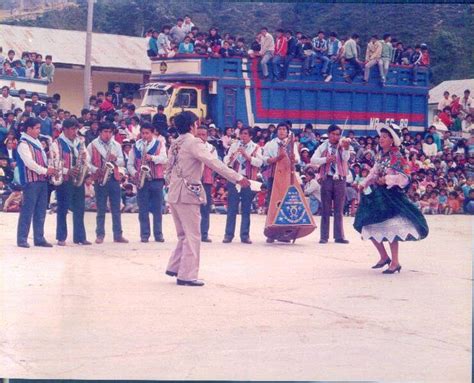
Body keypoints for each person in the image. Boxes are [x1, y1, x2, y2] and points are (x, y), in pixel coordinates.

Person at [164, 111, 250, 287]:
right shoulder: (194, 142)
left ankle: (174, 267)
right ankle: (187, 275)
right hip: (188, 193)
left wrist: (172, 184)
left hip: (174, 192)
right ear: (191, 125)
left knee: (183, 234)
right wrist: (237, 177)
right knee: (193, 235)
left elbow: (168, 169)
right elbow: (214, 163)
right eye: (196, 123)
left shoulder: (175, 143)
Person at [354, 124, 429, 274]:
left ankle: (395, 262)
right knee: (364, 223)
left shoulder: (398, 156)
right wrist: (364, 183)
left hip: (392, 196)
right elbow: (374, 172)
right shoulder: (380, 155)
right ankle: (384, 256)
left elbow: (405, 178)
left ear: (392, 140)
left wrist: (388, 179)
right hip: (378, 194)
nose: (381, 139)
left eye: (384, 137)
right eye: (380, 137)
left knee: (390, 228)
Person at [16, 117, 56, 248]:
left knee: (40, 211)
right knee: (27, 210)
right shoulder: (23, 144)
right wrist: (46, 170)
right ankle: (22, 238)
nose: (40, 131)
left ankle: (39, 238)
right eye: (37, 128)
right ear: (29, 129)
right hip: (31, 181)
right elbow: (29, 163)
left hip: (42, 180)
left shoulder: (36, 141)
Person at [87, 121, 128, 244]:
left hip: (113, 178)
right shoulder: (92, 145)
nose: (108, 134)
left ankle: (118, 235)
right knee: (101, 208)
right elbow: (87, 163)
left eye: (110, 132)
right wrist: (95, 169)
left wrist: (116, 159)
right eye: (105, 131)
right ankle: (100, 235)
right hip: (100, 179)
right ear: (100, 132)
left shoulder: (116, 145)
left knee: (116, 208)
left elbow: (122, 161)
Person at [51, 118, 90, 246]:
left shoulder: (80, 142)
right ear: (65, 129)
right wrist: (68, 170)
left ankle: (80, 237)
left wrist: (85, 159)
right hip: (64, 179)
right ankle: (61, 237)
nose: (75, 132)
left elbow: (87, 159)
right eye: (73, 129)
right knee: (63, 208)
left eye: (76, 129)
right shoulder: (56, 143)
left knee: (80, 208)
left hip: (78, 178)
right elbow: (54, 162)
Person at [127, 123, 167, 243]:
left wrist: (152, 158)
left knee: (157, 209)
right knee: (143, 209)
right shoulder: (136, 146)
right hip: (142, 180)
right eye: (143, 133)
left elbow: (165, 158)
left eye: (147, 133)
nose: (145, 136)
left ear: (152, 133)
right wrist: (134, 173)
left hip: (157, 179)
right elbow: (129, 164)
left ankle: (158, 234)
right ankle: (144, 234)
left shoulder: (160, 144)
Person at [311, 124, 351, 244]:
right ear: (328, 135)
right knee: (325, 208)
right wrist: (326, 160)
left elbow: (346, 158)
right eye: (333, 134)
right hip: (327, 178)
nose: (335, 137)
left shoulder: (343, 145)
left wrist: (347, 148)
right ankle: (324, 236)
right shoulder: (323, 146)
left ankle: (339, 236)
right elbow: (313, 160)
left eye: (338, 134)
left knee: (339, 208)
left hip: (340, 178)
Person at [223, 126, 263, 244]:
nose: (243, 136)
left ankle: (245, 235)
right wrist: (231, 157)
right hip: (235, 178)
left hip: (248, 180)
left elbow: (259, 162)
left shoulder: (256, 147)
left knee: (246, 208)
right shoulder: (235, 145)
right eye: (242, 134)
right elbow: (226, 160)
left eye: (246, 134)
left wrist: (247, 156)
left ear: (250, 136)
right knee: (232, 208)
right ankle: (228, 235)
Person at [196, 125, 217, 243]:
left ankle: (204, 234)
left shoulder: (212, 149)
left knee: (205, 208)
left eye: (203, 135)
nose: (201, 137)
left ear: (207, 136)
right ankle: (192, 234)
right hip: (192, 181)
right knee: (192, 208)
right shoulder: (190, 147)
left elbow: (216, 164)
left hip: (206, 181)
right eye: (198, 134)